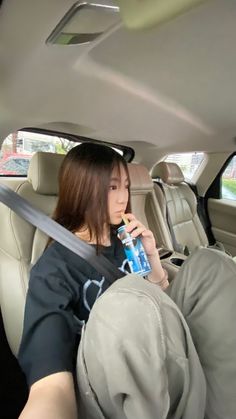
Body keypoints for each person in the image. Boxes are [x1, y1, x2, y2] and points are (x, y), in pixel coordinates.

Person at [18, 142, 169, 419]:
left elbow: (159, 294)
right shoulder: (53, 269)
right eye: (112, 187)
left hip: (157, 339)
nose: (124, 197)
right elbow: (50, 383)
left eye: (125, 186)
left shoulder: (126, 239)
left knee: (211, 267)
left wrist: (152, 256)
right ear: (82, 190)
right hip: (117, 372)